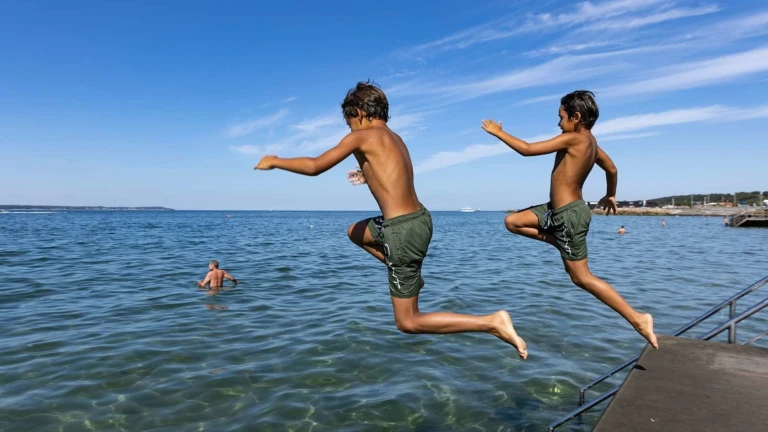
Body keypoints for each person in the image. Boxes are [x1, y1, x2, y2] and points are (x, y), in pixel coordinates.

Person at [255, 81, 528, 358]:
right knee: (355, 231)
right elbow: (393, 175)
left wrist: (276, 161)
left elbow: (314, 166)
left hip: (401, 230)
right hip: (418, 220)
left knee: (408, 321)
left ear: (359, 113)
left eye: (350, 124)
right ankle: (407, 274)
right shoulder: (395, 138)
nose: (350, 131)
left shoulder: (361, 135)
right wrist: (367, 175)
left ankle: (491, 322)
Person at [482, 90, 658, 349]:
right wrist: (610, 194)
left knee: (581, 277)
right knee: (513, 222)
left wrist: (499, 133)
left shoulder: (574, 140)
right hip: (555, 210)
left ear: (576, 117)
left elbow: (528, 150)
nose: (558, 123)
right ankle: (558, 242)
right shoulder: (592, 144)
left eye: (561, 118)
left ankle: (638, 319)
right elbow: (612, 168)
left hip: (569, 215)